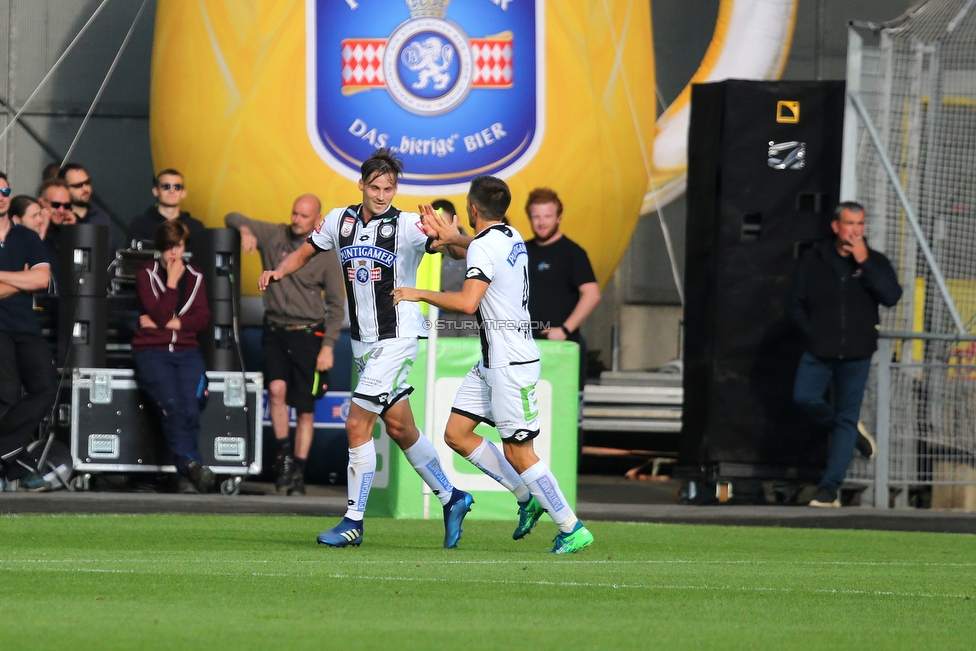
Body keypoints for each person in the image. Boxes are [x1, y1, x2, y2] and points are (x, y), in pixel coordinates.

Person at [259, 148, 471, 548]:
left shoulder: (407, 225)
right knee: (400, 427)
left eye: (389, 188)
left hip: (398, 336)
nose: (381, 195)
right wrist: (277, 271)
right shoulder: (339, 220)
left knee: (357, 423)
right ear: (361, 185)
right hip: (364, 342)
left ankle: (353, 520)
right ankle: (452, 495)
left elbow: (456, 251)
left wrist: (451, 236)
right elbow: (306, 251)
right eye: (375, 187)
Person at [394, 176, 594, 554]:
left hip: (510, 364)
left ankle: (571, 526)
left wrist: (417, 292)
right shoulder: (511, 235)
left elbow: (469, 303)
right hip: (493, 361)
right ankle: (526, 497)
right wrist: (453, 237)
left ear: (471, 209)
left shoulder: (489, 245)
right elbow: (480, 248)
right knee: (456, 433)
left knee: (521, 452)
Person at [225, 195, 345, 496]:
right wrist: (245, 231)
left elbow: (336, 305)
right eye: (294, 213)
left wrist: (329, 345)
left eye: (304, 216)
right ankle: (284, 458)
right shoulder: (274, 235)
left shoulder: (326, 252)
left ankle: (299, 471)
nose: (296, 220)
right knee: (276, 391)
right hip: (276, 329)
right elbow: (232, 214)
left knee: (305, 408)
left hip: (309, 334)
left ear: (317, 219)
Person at [787, 201, 902, 508]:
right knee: (805, 398)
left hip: (857, 352)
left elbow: (891, 296)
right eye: (850, 224)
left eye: (861, 224)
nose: (856, 230)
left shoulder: (873, 260)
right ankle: (851, 434)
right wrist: (811, 332)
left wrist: (865, 264)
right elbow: (795, 303)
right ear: (836, 227)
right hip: (819, 350)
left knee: (846, 416)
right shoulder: (814, 259)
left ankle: (829, 488)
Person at [132, 220, 215, 494]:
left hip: (187, 352)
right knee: (171, 405)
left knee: (191, 406)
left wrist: (172, 323)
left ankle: (187, 472)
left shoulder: (197, 275)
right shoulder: (146, 273)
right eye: (167, 247)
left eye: (177, 246)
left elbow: (202, 318)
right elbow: (158, 312)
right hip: (152, 352)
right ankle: (190, 467)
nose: (173, 253)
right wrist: (171, 283)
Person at [0, 173, 57, 491]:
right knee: (7, 393)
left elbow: (41, 280)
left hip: (25, 326)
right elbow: (29, 279)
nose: (1, 196)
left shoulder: (26, 237)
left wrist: (4, 277)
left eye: (5, 190)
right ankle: (13, 463)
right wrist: (19, 277)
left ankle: (5, 456)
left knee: (45, 387)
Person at [524, 188, 600, 387]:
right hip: (523, 348)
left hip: (561, 349)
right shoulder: (521, 251)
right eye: (536, 217)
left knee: (563, 411)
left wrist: (564, 330)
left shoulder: (573, 253)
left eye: (548, 216)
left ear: (559, 217)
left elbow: (591, 294)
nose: (541, 222)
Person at [430, 199, 477, 338]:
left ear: (457, 221)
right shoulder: (422, 249)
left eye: (444, 223)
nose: (439, 229)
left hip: (469, 326)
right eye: (435, 223)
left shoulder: (473, 248)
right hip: (433, 326)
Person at [126, 169, 207, 248]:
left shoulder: (196, 227)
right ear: (156, 191)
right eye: (166, 186)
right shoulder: (140, 224)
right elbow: (130, 259)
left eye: (177, 187)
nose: (172, 191)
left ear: (183, 193)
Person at [57, 162, 120, 252]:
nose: (85, 189)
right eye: (78, 185)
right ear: (65, 188)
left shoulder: (102, 217)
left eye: (87, 182)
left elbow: (112, 255)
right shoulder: (59, 217)